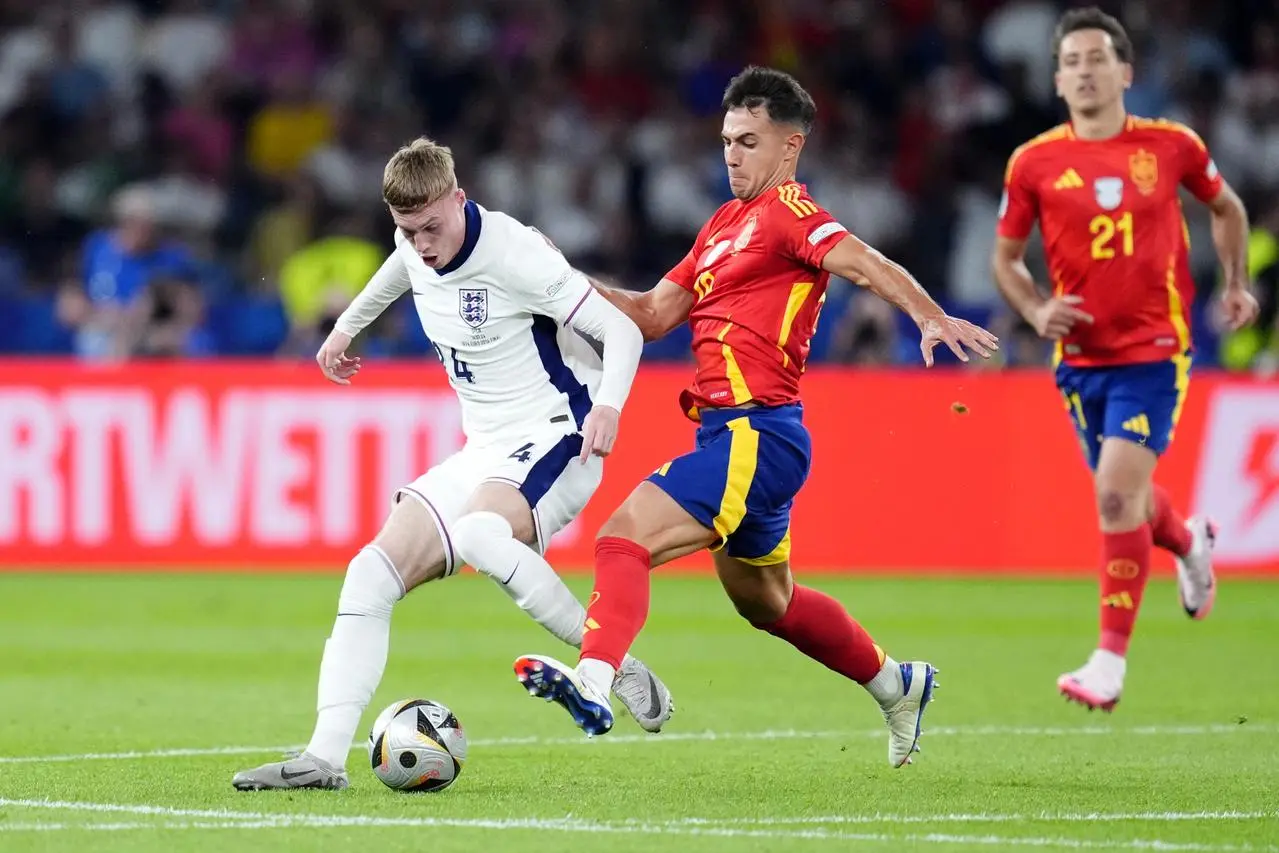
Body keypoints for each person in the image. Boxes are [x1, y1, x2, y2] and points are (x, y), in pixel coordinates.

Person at [512, 67, 998, 768]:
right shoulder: (720, 225)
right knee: (769, 603)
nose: (731, 154)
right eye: (725, 141)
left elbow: (861, 262)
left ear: (788, 147)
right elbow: (651, 315)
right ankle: (897, 683)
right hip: (732, 435)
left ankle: (592, 681)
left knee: (622, 537)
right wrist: (564, 283)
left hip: (756, 432)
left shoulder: (791, 214)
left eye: (746, 140)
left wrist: (927, 314)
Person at [232, 137, 674, 791]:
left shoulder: (514, 253)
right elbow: (398, 269)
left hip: (560, 434)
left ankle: (604, 663)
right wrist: (343, 330)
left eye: (432, 226)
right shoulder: (414, 245)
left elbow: (623, 330)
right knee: (368, 574)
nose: (422, 242)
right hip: (488, 448)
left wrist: (609, 405)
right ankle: (324, 758)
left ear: (459, 199)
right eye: (407, 230)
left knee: (475, 534)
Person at [990, 8, 1259, 711]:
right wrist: (1035, 310)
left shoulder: (1169, 146)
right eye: (1071, 61)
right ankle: (1189, 538)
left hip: (1154, 350)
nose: (1084, 70)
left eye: (1096, 58)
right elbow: (1006, 260)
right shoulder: (1033, 162)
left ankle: (1108, 660)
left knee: (1113, 492)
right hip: (1078, 359)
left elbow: (1225, 207)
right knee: (1131, 500)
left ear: (1124, 71)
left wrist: (1233, 283)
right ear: (1056, 79)